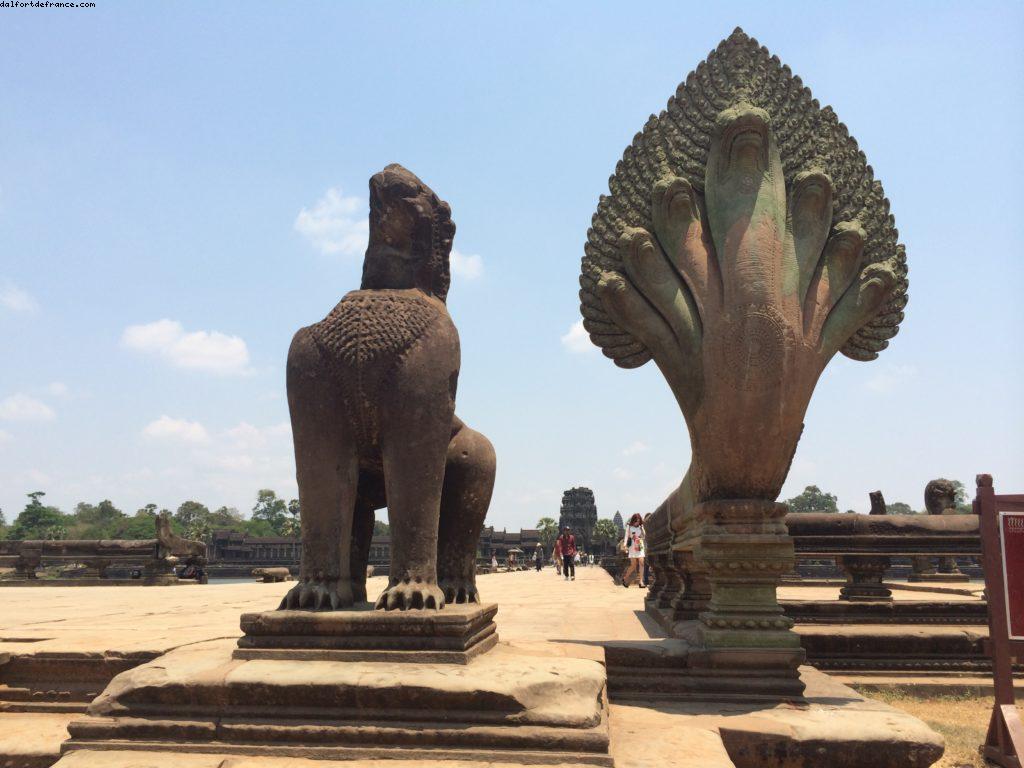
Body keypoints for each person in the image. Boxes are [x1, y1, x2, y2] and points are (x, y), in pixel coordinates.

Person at [620, 513, 647, 588]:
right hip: (632, 546)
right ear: (633, 520)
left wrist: (642, 527)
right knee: (633, 565)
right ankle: (625, 578)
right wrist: (625, 546)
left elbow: (644, 536)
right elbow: (626, 536)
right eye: (636, 521)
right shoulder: (629, 526)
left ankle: (641, 581)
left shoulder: (640, 526)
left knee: (642, 562)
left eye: (638, 521)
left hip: (639, 544)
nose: (637, 522)